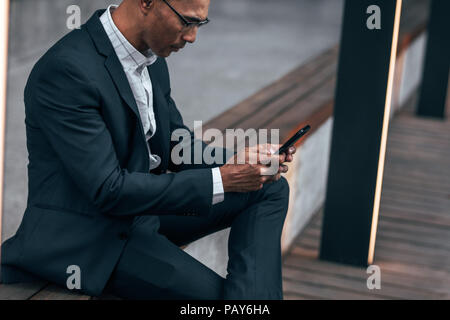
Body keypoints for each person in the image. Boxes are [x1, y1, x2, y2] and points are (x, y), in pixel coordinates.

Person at [0, 0, 296, 300]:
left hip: (141, 213)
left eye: (200, 24)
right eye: (187, 21)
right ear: (146, 3)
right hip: (90, 238)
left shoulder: (151, 57)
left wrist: (242, 163)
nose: (193, 37)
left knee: (269, 187)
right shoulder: (67, 71)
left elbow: (175, 144)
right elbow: (109, 189)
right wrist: (224, 179)